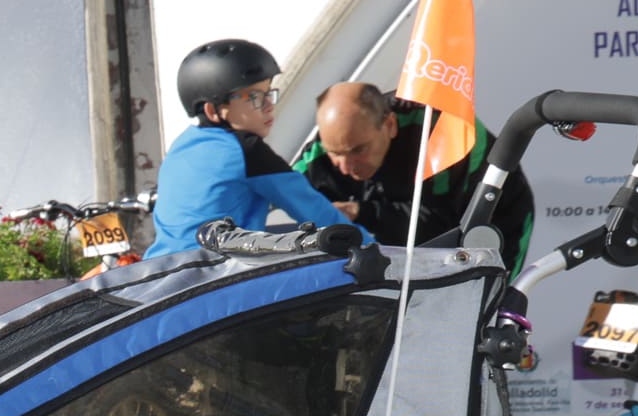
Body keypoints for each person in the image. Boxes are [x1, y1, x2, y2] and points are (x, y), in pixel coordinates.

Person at [298, 80, 535, 263]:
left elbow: (437, 228)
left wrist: (359, 211)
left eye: (358, 150)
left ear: (389, 125)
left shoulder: (440, 133)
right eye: (335, 153)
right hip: (408, 212)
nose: (346, 167)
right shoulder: (328, 144)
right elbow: (280, 184)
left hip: (493, 222)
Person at [147, 39, 344, 256]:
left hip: (161, 273)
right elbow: (316, 212)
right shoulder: (246, 150)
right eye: (254, 97)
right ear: (213, 110)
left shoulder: (180, 147)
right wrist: (375, 250)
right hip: (214, 275)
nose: (269, 105)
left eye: (269, 92)